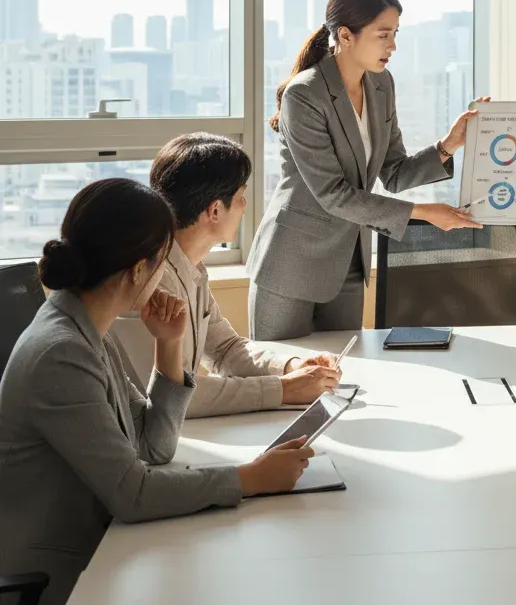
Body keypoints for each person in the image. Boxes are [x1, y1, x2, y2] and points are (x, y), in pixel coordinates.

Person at [0, 180, 315, 605]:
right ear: (137, 269)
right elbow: (133, 493)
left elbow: (152, 445)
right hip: (64, 571)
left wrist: (168, 346)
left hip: (107, 546)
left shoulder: (87, 329)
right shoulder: (62, 353)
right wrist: (250, 479)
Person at [248, 0, 483, 340]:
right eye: (383, 34)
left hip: (349, 263)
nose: (393, 45)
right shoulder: (305, 94)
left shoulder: (381, 85)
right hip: (292, 264)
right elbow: (332, 194)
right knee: (284, 382)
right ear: (345, 36)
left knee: (344, 377)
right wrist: (423, 214)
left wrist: (449, 145)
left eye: (396, 33)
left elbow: (393, 172)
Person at [113, 134, 343, 418]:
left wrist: (292, 367)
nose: (245, 205)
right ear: (215, 210)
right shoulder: (149, 283)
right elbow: (175, 396)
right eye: (241, 196)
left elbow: (224, 349)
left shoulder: (189, 265)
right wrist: (284, 389)